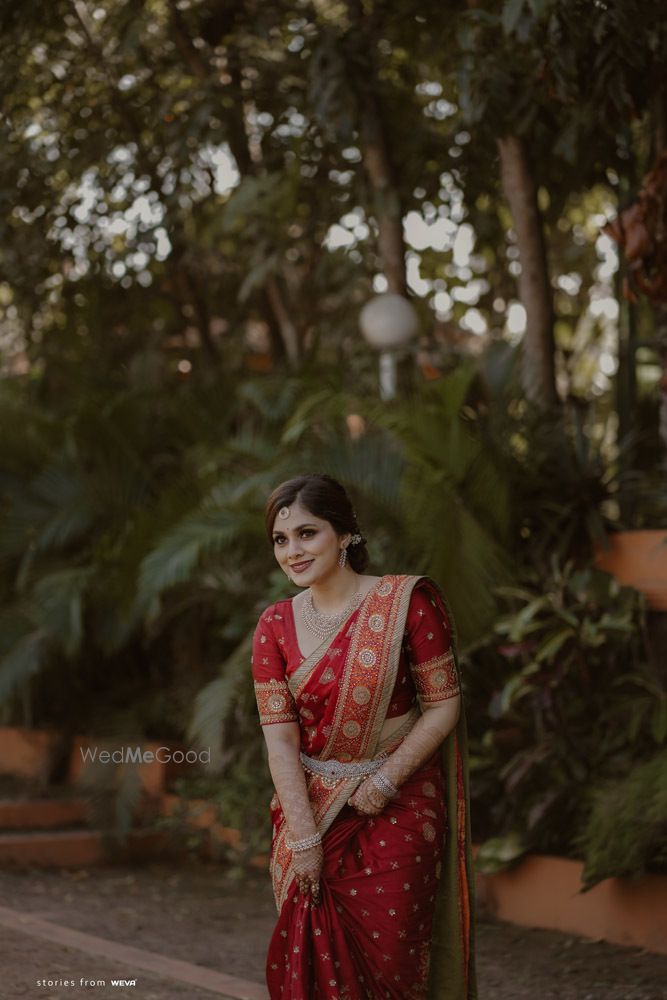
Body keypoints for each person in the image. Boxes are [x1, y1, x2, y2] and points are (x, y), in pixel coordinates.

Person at [251, 473, 477, 1000]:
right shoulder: (274, 625)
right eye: (281, 540)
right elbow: (279, 741)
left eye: (307, 533)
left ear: (345, 533)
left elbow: (443, 706)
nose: (293, 551)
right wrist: (305, 838)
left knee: (394, 959)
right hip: (313, 808)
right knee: (313, 954)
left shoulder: (406, 603)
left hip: (399, 806)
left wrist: (384, 781)